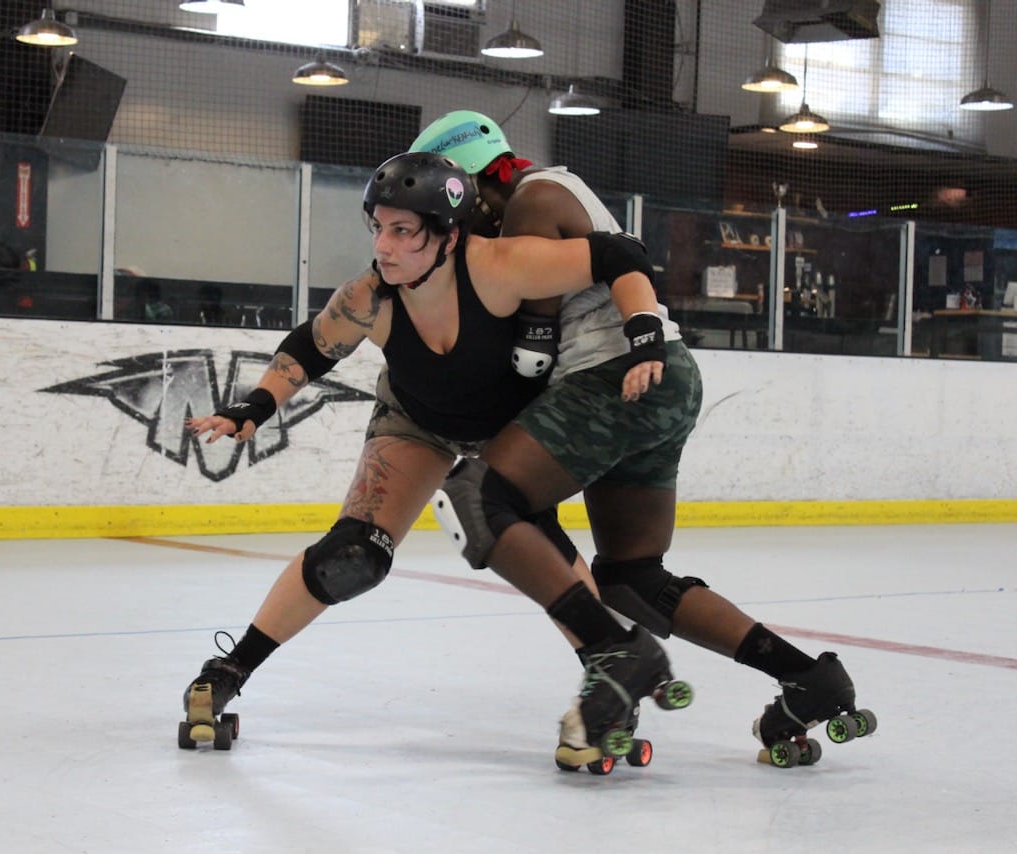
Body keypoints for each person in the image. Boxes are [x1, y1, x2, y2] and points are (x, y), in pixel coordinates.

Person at [177, 152, 689, 756]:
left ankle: (611, 670)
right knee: (352, 556)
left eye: (402, 231)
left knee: (530, 540)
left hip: (504, 427)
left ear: (447, 235)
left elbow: (619, 253)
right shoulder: (371, 296)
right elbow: (312, 348)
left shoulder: (499, 267)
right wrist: (254, 407)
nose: (384, 248)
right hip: (416, 422)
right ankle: (230, 670)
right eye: (378, 228)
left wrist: (644, 332)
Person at [415, 110, 875, 769]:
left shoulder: (532, 201)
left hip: (613, 377)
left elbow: (533, 354)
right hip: (661, 381)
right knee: (632, 578)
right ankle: (807, 677)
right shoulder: (548, 195)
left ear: (472, 179)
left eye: (452, 208)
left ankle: (615, 656)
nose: (453, 225)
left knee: (475, 497)